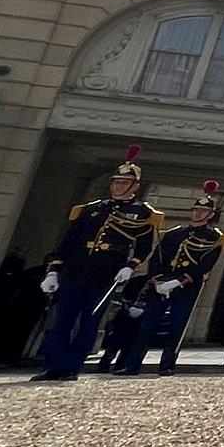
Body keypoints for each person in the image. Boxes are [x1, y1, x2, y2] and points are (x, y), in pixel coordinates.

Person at [34, 144, 160, 382]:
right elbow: (68, 242)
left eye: (124, 183)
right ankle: (54, 366)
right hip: (75, 270)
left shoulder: (143, 214)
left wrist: (130, 266)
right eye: (116, 182)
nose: (118, 186)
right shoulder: (92, 209)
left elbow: (144, 246)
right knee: (62, 321)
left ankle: (72, 366)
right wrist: (53, 270)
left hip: (106, 273)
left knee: (89, 322)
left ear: (135, 186)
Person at [117, 180, 224, 376]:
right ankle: (132, 364)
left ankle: (167, 365)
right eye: (196, 210)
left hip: (185, 286)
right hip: (161, 284)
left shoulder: (214, 238)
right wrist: (157, 280)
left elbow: (204, 266)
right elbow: (157, 258)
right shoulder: (174, 234)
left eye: (203, 211)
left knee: (176, 327)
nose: (198, 214)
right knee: (147, 326)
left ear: (210, 215)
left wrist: (177, 281)